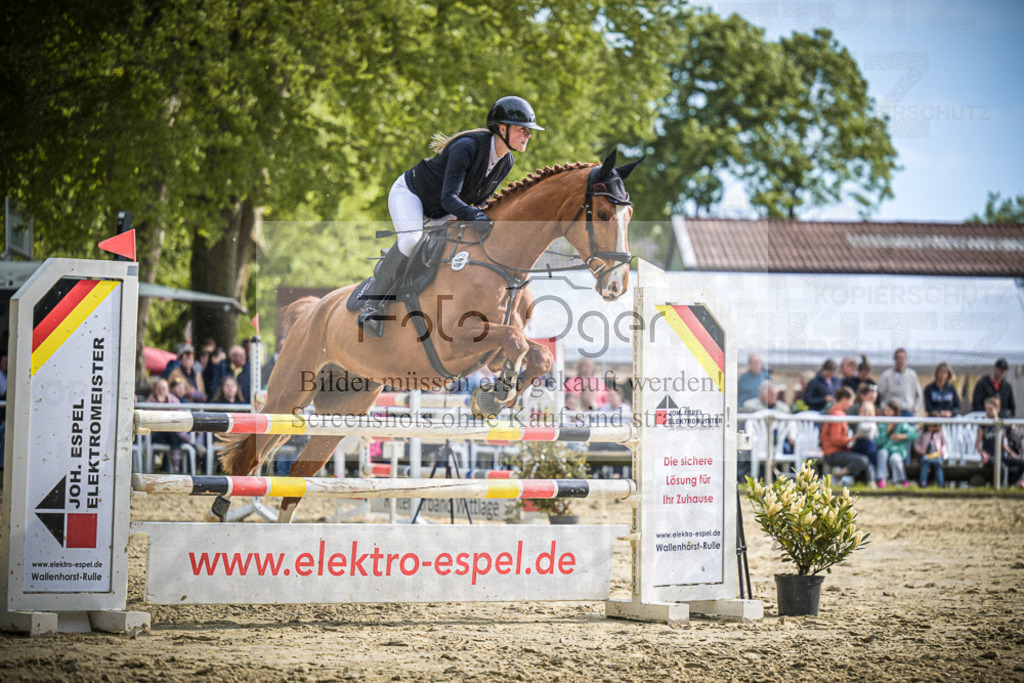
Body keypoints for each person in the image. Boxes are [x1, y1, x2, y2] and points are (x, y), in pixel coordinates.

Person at [357, 95, 543, 337]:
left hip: (445, 212)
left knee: (455, 251)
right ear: (502, 128)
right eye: (523, 130)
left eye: (529, 131)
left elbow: (482, 200)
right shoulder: (466, 147)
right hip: (412, 195)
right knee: (411, 241)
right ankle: (371, 303)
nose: (528, 135)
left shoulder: (506, 161)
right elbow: (449, 198)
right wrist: (473, 215)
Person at [820, 386, 875, 485]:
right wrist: (851, 439)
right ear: (844, 399)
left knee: (863, 457)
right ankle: (838, 476)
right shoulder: (837, 415)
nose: (852, 404)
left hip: (834, 451)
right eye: (851, 401)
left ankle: (862, 481)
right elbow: (836, 439)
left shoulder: (835, 413)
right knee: (863, 460)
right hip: (833, 453)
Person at [976, 397, 1024, 488]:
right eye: (986, 409)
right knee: (1000, 466)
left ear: (997, 409)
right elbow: (977, 444)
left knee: (1022, 463)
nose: (987, 412)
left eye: (990, 409)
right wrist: (983, 453)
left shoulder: (1002, 425)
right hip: (990, 457)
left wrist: (1012, 454)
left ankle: (1011, 484)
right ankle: (1001, 486)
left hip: (1000, 456)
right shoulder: (984, 425)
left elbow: (1003, 444)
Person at [143, 378, 186, 474]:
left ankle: (173, 470)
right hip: (156, 434)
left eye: (164, 389)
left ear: (168, 390)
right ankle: (176, 469)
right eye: (159, 388)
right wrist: (161, 405)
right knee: (175, 435)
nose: (161, 391)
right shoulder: (149, 402)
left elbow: (180, 417)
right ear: (154, 390)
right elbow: (150, 421)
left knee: (174, 436)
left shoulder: (174, 400)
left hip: (171, 434)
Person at [875, 400, 918, 488]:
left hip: (898, 450)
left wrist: (902, 436)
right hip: (885, 449)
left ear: (895, 411)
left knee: (894, 458)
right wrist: (886, 433)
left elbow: (915, 435)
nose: (886, 412)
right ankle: (881, 479)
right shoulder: (882, 424)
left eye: (889, 410)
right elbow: (877, 442)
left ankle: (901, 480)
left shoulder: (901, 423)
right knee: (882, 453)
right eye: (885, 410)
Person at [877, 348, 923, 416]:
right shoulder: (886, 375)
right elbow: (879, 393)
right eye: (898, 358)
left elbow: (919, 395)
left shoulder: (912, 375)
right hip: (890, 411)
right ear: (894, 359)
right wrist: (882, 408)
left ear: (906, 358)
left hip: (907, 411)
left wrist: (915, 409)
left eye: (902, 358)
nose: (900, 360)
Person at [851, 402, 879, 484]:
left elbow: (868, 431)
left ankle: (871, 481)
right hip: (859, 444)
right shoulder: (860, 421)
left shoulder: (872, 423)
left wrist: (858, 435)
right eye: (862, 411)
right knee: (857, 462)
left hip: (868, 445)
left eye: (866, 411)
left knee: (870, 464)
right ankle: (854, 480)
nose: (864, 413)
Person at [915, 422, 947, 488]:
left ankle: (941, 484)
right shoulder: (923, 431)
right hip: (925, 455)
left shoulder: (940, 431)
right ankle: (923, 482)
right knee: (925, 462)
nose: (931, 428)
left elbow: (944, 444)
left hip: (937, 455)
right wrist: (920, 450)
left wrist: (942, 451)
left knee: (938, 463)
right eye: (930, 426)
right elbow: (916, 444)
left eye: (933, 426)